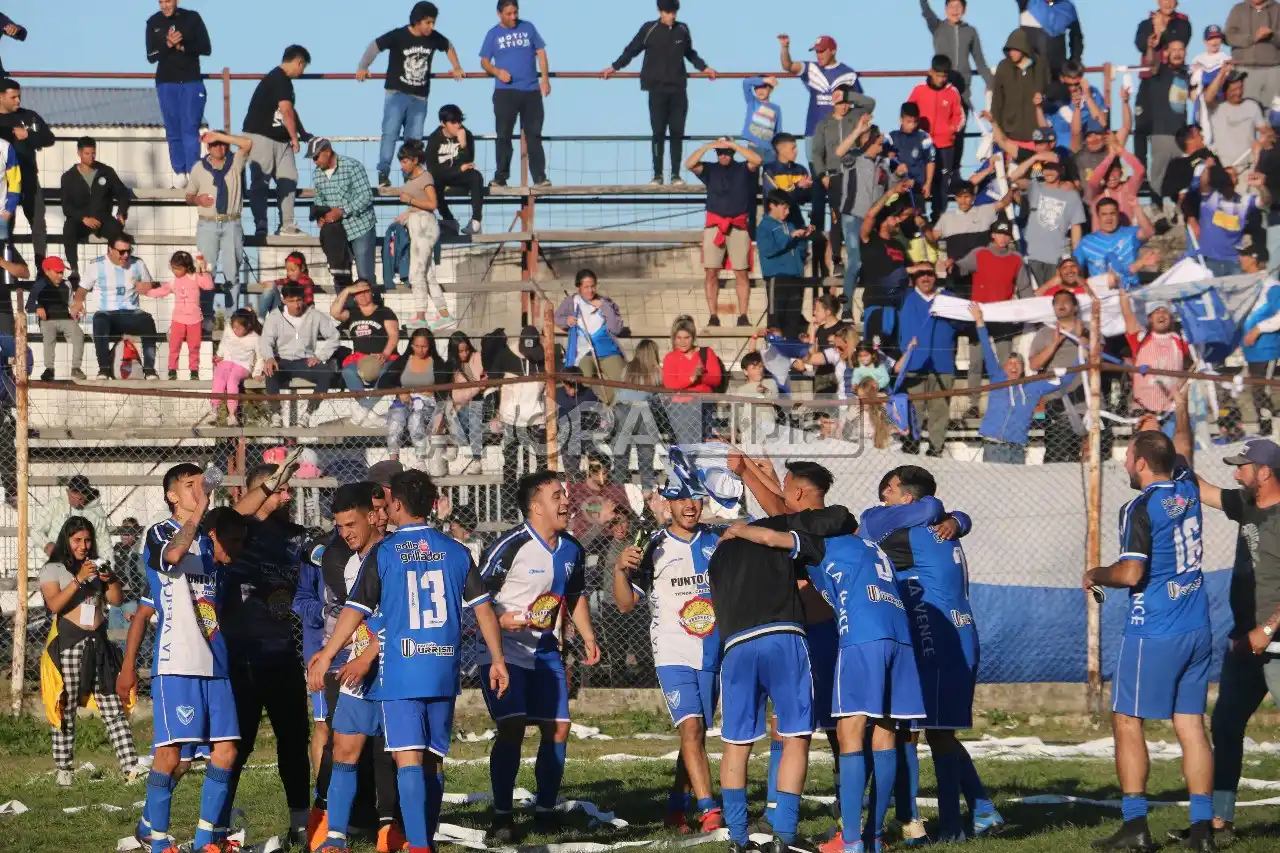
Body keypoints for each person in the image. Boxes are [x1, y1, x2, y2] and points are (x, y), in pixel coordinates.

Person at [308, 471, 508, 853]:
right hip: (430, 669)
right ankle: (344, 836)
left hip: (396, 667)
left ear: (387, 509)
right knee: (371, 749)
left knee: (411, 759)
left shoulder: (385, 553)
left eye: (381, 508)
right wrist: (498, 659)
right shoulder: (453, 551)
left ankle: (414, 841)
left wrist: (340, 653)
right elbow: (482, 609)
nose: (348, 531)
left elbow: (367, 613)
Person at [1084, 401, 1217, 853]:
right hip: (1197, 623)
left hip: (1154, 627)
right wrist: (1181, 408)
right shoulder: (1188, 488)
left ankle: (1135, 826)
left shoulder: (1139, 507)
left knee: (1126, 719)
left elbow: (1130, 574)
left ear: (1141, 463)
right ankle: (1202, 830)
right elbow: (1182, 450)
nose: (1124, 463)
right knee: (1191, 724)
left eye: (1127, 456)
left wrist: (1095, 573)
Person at [702, 475, 852, 853]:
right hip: (783, 636)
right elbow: (840, 518)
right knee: (795, 735)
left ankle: (738, 839)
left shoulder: (718, 554)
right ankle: (785, 834)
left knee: (736, 743)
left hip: (735, 646)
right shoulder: (777, 528)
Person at [119, 465, 254, 853]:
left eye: (202, 484)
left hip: (216, 662)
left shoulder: (209, 542)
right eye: (190, 485)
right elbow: (175, 554)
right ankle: (158, 841)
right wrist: (198, 514)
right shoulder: (160, 533)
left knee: (226, 751)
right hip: (177, 662)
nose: (200, 490)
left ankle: (204, 841)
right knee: (171, 755)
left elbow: (235, 519)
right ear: (172, 495)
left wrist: (267, 488)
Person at [860, 468, 997, 845]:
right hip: (958, 634)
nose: (881, 499)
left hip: (937, 640)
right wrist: (959, 519)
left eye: (888, 491)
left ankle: (944, 826)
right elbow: (941, 512)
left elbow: (870, 527)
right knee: (939, 732)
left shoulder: (905, 532)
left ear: (908, 499)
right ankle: (982, 810)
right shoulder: (939, 529)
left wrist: (953, 516)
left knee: (916, 732)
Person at [478, 470, 600, 842]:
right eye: (556, 495)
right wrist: (501, 619)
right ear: (535, 506)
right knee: (513, 726)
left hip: (546, 650)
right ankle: (502, 816)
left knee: (558, 727)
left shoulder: (571, 549)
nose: (566, 501)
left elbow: (574, 595)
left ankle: (545, 812)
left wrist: (588, 635)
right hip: (504, 651)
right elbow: (477, 597)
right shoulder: (510, 545)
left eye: (565, 494)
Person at [220, 462, 327, 846]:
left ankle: (300, 823)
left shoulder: (295, 537)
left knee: (294, 740)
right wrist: (265, 488)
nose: (287, 495)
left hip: (281, 655)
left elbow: (327, 551)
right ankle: (217, 822)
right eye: (278, 488)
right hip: (241, 658)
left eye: (287, 488)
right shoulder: (237, 533)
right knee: (236, 745)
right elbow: (232, 518)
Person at [613, 477, 725, 833]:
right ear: (668, 504)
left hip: (711, 649)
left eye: (695, 498)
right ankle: (709, 810)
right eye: (680, 499)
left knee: (696, 733)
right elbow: (625, 604)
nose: (689, 505)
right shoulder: (653, 545)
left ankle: (677, 808)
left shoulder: (718, 540)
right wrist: (619, 570)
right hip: (672, 649)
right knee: (690, 726)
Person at [294, 481, 402, 851]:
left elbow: (400, 620)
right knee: (343, 745)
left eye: (351, 524)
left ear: (373, 517)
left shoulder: (395, 555)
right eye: (340, 527)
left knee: (392, 751)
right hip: (358, 666)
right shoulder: (351, 562)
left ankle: (394, 828)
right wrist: (328, 652)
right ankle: (335, 836)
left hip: (393, 667)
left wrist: (368, 655)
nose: (345, 533)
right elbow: (354, 617)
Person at [1184, 438, 1280, 846]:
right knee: (1225, 726)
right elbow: (1201, 487)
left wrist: (1268, 629)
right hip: (1245, 645)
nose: (1236, 473)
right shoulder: (1246, 504)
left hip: (1274, 644)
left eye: (1243, 466)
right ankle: (1220, 822)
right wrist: (1173, 436)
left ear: (1265, 472)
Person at [39, 516, 141, 786]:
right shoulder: (53, 569)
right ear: (66, 540)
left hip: (98, 644)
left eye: (87, 540)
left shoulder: (97, 566)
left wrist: (110, 579)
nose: (83, 546)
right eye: (77, 540)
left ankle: (131, 767)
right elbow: (54, 605)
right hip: (70, 644)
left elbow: (116, 600)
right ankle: (64, 769)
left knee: (112, 705)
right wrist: (79, 579)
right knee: (66, 706)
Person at [603, 0, 715, 185]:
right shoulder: (649, 29)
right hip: (656, 89)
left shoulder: (682, 29)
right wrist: (615, 67)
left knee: (677, 132)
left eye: (674, 13)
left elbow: (690, 53)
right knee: (658, 132)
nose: (671, 16)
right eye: (668, 13)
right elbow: (632, 50)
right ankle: (657, 175)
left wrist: (704, 68)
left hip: (678, 89)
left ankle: (676, 174)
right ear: (660, 12)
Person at [356, 1, 462, 189]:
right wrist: (363, 66)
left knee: (414, 138)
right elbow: (375, 45)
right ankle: (383, 172)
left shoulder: (434, 38)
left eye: (433, 23)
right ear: (417, 21)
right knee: (390, 132)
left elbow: (448, 46)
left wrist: (456, 67)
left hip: (420, 97)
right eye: (428, 23)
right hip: (397, 93)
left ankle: (410, 175)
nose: (431, 27)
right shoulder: (399, 35)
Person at [778, 32, 859, 265]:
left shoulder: (848, 73)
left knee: (835, 181)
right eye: (816, 52)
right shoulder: (811, 69)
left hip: (837, 135)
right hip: (813, 133)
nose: (819, 55)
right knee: (817, 179)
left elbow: (859, 102)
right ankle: (816, 228)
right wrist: (785, 48)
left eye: (822, 51)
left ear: (833, 50)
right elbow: (788, 66)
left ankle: (836, 229)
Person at [969, 302, 1065, 463]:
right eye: (1010, 363)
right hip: (994, 446)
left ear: (1022, 368)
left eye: (1018, 363)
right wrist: (979, 321)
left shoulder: (1032, 387)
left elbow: (1062, 382)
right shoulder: (997, 379)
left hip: (1018, 448)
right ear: (1004, 367)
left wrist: (1080, 362)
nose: (1014, 366)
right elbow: (987, 348)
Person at [686, 138, 763, 327]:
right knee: (711, 272)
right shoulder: (710, 169)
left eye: (726, 152)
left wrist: (734, 145)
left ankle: (743, 315)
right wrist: (707, 146)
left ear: (732, 152)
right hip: (715, 225)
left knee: (742, 272)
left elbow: (757, 160)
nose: (723, 155)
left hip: (738, 225)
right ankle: (713, 315)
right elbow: (689, 164)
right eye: (720, 152)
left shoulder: (744, 168)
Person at [479, 0, 551, 189]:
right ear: (499, 14)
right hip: (505, 92)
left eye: (515, 12)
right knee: (504, 135)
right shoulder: (493, 33)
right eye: (509, 14)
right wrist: (497, 72)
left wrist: (545, 78)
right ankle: (501, 177)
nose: (513, 17)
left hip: (531, 90)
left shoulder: (528, 27)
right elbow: (484, 61)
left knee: (534, 134)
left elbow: (541, 52)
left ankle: (539, 177)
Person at [243, 45, 311, 238]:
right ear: (299, 62)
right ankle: (261, 225)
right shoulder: (278, 78)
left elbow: (290, 110)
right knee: (261, 181)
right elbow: (286, 111)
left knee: (289, 178)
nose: (302, 72)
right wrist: (295, 138)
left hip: (281, 139)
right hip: (261, 136)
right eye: (303, 67)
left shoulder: (284, 83)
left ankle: (287, 224)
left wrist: (302, 132)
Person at [73, 233, 160, 381]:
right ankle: (104, 369)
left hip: (131, 313)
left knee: (147, 320)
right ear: (110, 249)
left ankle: (150, 370)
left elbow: (150, 285)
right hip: (107, 313)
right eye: (121, 251)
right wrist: (78, 303)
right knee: (99, 320)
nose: (126, 255)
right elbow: (82, 288)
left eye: (128, 251)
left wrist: (150, 286)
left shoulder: (138, 263)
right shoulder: (96, 265)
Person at [145, 0, 210, 188]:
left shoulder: (192, 18)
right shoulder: (153, 22)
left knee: (190, 127)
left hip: (191, 81)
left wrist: (182, 46)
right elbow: (151, 56)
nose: (164, 6)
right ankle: (179, 172)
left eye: (168, 1)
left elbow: (206, 48)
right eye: (161, 2)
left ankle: (193, 172)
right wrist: (167, 43)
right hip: (166, 83)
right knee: (173, 129)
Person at [896, 266, 960, 456]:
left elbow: (962, 323)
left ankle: (935, 451)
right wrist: (909, 269)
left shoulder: (948, 298)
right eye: (920, 275)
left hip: (943, 365)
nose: (925, 278)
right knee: (912, 411)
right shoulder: (905, 296)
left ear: (935, 277)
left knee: (939, 412)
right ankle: (911, 448)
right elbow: (888, 279)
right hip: (914, 366)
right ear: (913, 278)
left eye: (929, 274)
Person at [260, 282, 341, 428]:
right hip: (282, 360)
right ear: (283, 300)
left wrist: (321, 356)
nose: (297, 305)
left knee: (326, 373)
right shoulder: (274, 316)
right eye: (291, 301)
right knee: (270, 372)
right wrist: (269, 357)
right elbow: (266, 340)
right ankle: (276, 414)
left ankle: (308, 414)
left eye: (299, 300)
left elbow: (334, 336)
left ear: (304, 299)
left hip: (305, 361)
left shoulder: (315, 315)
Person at [187, 130, 253, 307]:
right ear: (208, 147)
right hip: (207, 224)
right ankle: (206, 316)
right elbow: (188, 196)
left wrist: (220, 137)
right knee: (205, 272)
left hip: (231, 222)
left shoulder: (235, 162)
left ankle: (232, 318)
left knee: (232, 274)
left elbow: (247, 143)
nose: (219, 147)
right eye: (214, 144)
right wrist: (198, 199)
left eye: (222, 144)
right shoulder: (199, 167)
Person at [918, 0, 995, 146]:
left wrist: (990, 83)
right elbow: (927, 12)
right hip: (940, 90)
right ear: (945, 9)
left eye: (958, 6)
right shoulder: (938, 27)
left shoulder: (970, 31)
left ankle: (955, 162)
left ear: (964, 10)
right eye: (951, 6)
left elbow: (980, 61)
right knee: (938, 134)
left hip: (962, 92)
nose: (955, 10)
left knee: (958, 135)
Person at [394, 140, 450, 328]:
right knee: (427, 274)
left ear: (415, 160)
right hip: (417, 224)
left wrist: (409, 200)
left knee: (416, 272)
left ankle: (420, 316)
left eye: (405, 161)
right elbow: (417, 205)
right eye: (401, 161)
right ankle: (444, 314)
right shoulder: (411, 179)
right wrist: (405, 214)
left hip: (424, 226)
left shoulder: (425, 177)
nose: (402, 165)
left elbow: (432, 204)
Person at [330, 279, 400, 426]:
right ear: (354, 296)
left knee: (387, 373)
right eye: (358, 292)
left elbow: (393, 335)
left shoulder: (384, 312)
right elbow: (334, 312)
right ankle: (369, 411)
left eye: (366, 291)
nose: (362, 295)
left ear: (371, 292)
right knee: (348, 371)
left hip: (384, 357)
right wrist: (347, 290)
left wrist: (385, 354)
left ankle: (365, 409)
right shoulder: (352, 313)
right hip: (360, 358)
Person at [310, 137, 377, 289]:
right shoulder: (317, 174)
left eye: (316, 157)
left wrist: (343, 211)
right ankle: (345, 304)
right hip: (337, 232)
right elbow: (320, 199)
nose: (314, 162)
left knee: (365, 276)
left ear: (328, 151)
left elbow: (366, 196)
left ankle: (372, 302)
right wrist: (321, 216)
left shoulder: (353, 166)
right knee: (340, 275)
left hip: (360, 227)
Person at [0, 78, 54, 265]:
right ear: (1, 97)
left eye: (19, 96)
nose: (18, 101)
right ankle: (8, 269)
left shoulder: (29, 117)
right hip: (5, 184)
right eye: (13, 97)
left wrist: (28, 135)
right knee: (6, 227)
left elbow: (49, 138)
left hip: (29, 179)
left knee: (38, 224)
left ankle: (42, 268)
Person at [59, 136, 130, 280]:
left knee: (117, 230)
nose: (91, 157)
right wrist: (83, 218)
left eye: (93, 153)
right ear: (79, 153)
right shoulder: (69, 177)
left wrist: (121, 213)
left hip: (102, 218)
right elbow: (66, 206)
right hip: (81, 220)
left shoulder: (106, 172)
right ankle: (74, 269)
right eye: (87, 153)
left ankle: (116, 266)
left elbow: (122, 193)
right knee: (68, 228)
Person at [908, 56, 965, 223]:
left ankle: (938, 220)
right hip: (922, 145)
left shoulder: (952, 92)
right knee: (919, 180)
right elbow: (909, 111)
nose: (941, 79)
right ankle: (919, 218)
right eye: (938, 75)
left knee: (942, 184)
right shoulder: (919, 90)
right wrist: (914, 133)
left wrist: (951, 129)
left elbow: (960, 117)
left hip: (945, 146)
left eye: (944, 76)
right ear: (930, 72)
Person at [554, 269, 625, 403]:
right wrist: (566, 320)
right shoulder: (572, 302)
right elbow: (556, 318)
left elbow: (616, 329)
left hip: (608, 351)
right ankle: (590, 410)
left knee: (620, 379)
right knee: (583, 381)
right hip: (583, 352)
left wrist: (604, 307)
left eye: (592, 286)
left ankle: (612, 407)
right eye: (586, 287)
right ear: (579, 287)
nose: (590, 290)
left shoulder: (605, 302)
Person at [1186, 161, 1265, 276]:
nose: (1228, 179)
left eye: (1233, 175)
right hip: (1209, 260)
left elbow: (1265, 201)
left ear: (1237, 180)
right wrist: (1207, 168)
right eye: (1226, 175)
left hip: (1234, 261)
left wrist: (1261, 186)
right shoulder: (1209, 197)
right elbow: (1200, 185)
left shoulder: (1245, 200)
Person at [1138, 39, 1191, 210]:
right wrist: (1151, 47)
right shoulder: (1161, 71)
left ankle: (1181, 211)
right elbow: (1150, 63)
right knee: (1159, 175)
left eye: (1181, 49)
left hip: (1181, 135)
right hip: (1161, 132)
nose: (1177, 53)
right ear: (1166, 53)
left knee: (1181, 177)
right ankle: (1156, 209)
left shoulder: (1187, 74)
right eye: (1173, 50)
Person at [144, 250, 213, 380]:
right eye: (173, 268)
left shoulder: (195, 277)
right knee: (174, 345)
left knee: (194, 346)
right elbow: (162, 291)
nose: (175, 271)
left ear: (187, 267)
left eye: (178, 268)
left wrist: (203, 269)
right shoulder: (174, 281)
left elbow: (208, 285)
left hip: (194, 319)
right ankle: (172, 370)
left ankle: (194, 371)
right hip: (178, 320)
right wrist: (146, 292)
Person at [757, 192, 815, 338]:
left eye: (788, 208)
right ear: (772, 205)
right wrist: (790, 237)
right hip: (777, 279)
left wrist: (803, 237)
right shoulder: (764, 226)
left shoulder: (790, 225)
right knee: (775, 324)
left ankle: (792, 350)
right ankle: (775, 351)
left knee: (793, 323)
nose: (787, 212)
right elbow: (768, 250)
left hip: (795, 278)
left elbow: (797, 247)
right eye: (784, 208)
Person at [611, 339, 662, 492]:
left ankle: (619, 490)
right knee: (646, 456)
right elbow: (657, 397)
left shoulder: (627, 368)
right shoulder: (656, 371)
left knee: (621, 455)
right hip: (644, 411)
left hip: (623, 409)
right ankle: (647, 491)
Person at [662, 315, 722, 445]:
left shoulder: (706, 353)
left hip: (704, 406)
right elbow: (670, 385)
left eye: (686, 338)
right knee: (685, 445)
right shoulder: (670, 358)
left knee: (704, 444)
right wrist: (691, 378)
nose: (682, 342)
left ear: (693, 337)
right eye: (678, 338)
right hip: (681, 409)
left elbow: (716, 379)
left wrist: (700, 376)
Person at [425, 104, 484, 236]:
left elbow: (468, 162)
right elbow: (432, 167)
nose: (458, 126)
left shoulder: (466, 134)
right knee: (433, 183)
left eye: (459, 121)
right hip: (441, 175)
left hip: (459, 174)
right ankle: (449, 220)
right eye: (453, 122)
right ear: (443, 123)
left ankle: (476, 222)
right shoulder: (435, 138)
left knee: (476, 177)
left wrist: (462, 144)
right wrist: (457, 169)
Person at [1074, 198, 1159, 290]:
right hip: (1101, 294)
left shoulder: (1130, 234)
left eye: (1112, 214)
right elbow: (1074, 270)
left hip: (1131, 290)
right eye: (1104, 214)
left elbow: (1149, 232)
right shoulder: (1087, 242)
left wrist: (1136, 208)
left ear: (1118, 215)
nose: (1109, 218)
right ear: (1098, 216)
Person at [1241, 244, 1280, 434]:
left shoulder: (1272, 286)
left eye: (1244, 255)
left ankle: (1269, 430)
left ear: (1254, 259)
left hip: (1267, 347)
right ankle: (1265, 429)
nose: (1240, 259)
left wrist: (1258, 329)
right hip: (1251, 350)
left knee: (1263, 389)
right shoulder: (1246, 285)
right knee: (1257, 390)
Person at [387, 327, 442, 464]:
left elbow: (443, 391)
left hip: (427, 403)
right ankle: (393, 460)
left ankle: (420, 460)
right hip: (404, 400)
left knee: (415, 419)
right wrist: (400, 391)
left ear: (430, 346)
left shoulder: (437, 363)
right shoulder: (403, 361)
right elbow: (385, 380)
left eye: (424, 346)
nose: (420, 350)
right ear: (411, 345)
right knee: (395, 420)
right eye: (417, 346)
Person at [27, 256, 85, 381]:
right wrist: (38, 307)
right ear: (47, 271)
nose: (60, 275)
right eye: (57, 272)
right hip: (47, 320)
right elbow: (29, 305)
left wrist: (76, 307)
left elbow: (70, 302)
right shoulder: (39, 285)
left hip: (66, 319)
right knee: (49, 338)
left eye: (61, 272)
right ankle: (49, 369)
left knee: (79, 334)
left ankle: (76, 368)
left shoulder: (67, 284)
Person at [991, 30, 1049, 154]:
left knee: (1036, 166)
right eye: (1010, 50)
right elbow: (997, 101)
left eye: (1015, 49)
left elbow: (1048, 90)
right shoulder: (1004, 68)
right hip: (1010, 134)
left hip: (1036, 136)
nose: (1012, 53)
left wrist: (1042, 97)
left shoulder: (1040, 65)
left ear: (1024, 48)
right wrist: (997, 130)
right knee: (1013, 167)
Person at [37, 475, 110, 560]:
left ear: (87, 494)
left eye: (80, 498)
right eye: (73, 497)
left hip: (85, 560)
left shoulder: (96, 512)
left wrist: (107, 564)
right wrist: (46, 544)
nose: (76, 502)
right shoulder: (55, 505)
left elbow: (104, 542)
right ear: (68, 491)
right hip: (58, 560)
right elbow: (36, 530)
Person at [1085, 135, 1148, 228]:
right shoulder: (1097, 194)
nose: (1111, 176)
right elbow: (1093, 181)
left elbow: (1140, 170)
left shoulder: (1128, 188)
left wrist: (1122, 152)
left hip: (1125, 235)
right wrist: (1111, 156)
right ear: (1102, 175)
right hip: (1101, 236)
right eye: (1107, 173)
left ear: (1121, 172)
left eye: (1115, 171)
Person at [1226, 0, 1280, 107]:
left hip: (1274, 70)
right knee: (1247, 110)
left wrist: (1271, 35)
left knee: (1275, 110)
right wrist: (1252, 37)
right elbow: (1229, 37)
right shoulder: (1238, 9)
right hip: (1245, 70)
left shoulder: (1277, 8)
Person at [446, 330, 486, 471]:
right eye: (460, 351)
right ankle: (458, 445)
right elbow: (456, 397)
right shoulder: (451, 367)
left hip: (481, 404)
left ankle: (476, 459)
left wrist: (471, 391)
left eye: (466, 350)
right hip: (460, 407)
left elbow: (485, 384)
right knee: (456, 416)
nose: (465, 354)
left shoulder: (478, 358)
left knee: (474, 414)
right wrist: (476, 387)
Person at [211, 308, 259, 426]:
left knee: (232, 379)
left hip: (242, 365)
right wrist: (219, 355)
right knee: (219, 375)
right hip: (227, 361)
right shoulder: (229, 329)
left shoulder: (255, 338)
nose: (234, 329)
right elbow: (224, 342)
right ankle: (214, 408)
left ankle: (232, 414)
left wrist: (257, 372)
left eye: (238, 328)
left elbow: (261, 357)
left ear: (247, 326)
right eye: (233, 327)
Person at [259, 250, 316, 316]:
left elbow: (308, 302)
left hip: (298, 312)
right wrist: (271, 282)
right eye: (287, 270)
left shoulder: (306, 281)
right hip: (286, 311)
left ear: (302, 268)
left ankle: (262, 317)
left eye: (292, 270)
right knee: (270, 286)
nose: (289, 273)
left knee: (271, 287)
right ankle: (261, 318)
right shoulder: (290, 280)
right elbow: (282, 281)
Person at [741, 76, 781, 164]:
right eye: (757, 87)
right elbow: (746, 83)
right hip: (754, 147)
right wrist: (765, 80)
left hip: (770, 149)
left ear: (771, 89)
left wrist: (779, 150)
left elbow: (778, 131)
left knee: (771, 172)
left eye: (764, 87)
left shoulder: (776, 108)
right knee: (752, 171)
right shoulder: (752, 101)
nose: (760, 91)